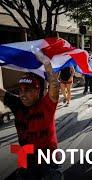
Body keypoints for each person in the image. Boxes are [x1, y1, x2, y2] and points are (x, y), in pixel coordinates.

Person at [0, 49, 61, 179]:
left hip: (48, 159)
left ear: (37, 92)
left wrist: (46, 64)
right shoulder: (17, 104)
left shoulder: (46, 106)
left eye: (27, 90)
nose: (22, 94)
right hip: (25, 157)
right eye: (20, 90)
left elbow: (54, 86)